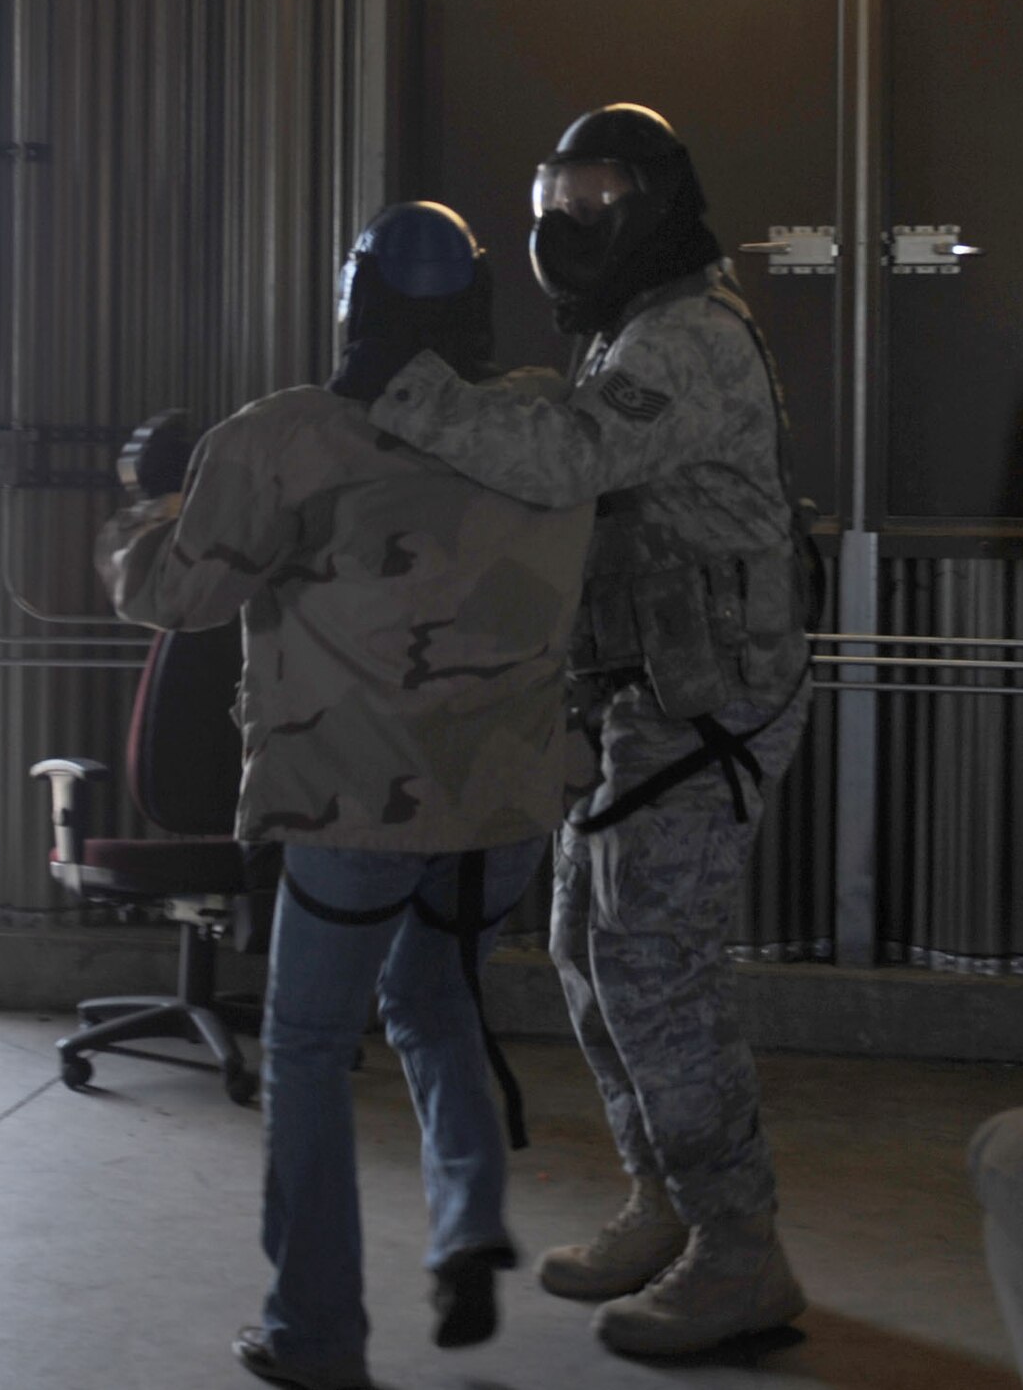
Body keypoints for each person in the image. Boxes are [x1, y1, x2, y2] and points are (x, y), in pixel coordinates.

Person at [98, 202, 591, 1390]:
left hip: (352, 808)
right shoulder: (546, 422)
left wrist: (149, 496)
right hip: (508, 811)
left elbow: (176, 597)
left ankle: (314, 1332)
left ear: (352, 301)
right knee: (437, 1008)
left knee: (312, 1047)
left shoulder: (280, 435)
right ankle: (469, 1224)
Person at [367, 103, 814, 1358]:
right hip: (643, 696)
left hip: (711, 702)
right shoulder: (629, 323)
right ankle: (665, 1198)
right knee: (584, 945)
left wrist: (402, 385)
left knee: (651, 963)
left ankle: (740, 1249)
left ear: (657, 198)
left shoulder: (684, 335)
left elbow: (562, 459)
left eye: (597, 192)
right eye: (554, 193)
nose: (569, 217)